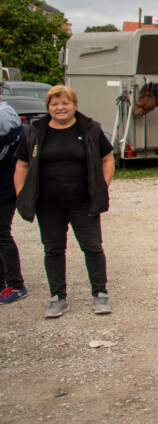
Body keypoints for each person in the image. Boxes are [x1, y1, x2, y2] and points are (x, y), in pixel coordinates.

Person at [13, 85, 115, 318]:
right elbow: (22, 164)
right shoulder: (35, 131)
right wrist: (21, 194)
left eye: (65, 103)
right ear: (48, 107)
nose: (60, 107)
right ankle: (57, 298)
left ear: (75, 105)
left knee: (92, 247)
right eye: (55, 104)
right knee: (53, 249)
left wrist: (102, 186)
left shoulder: (90, 129)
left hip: (83, 202)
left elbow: (107, 159)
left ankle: (100, 294)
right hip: (48, 205)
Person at [0, 99, 27, 303]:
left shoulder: (3, 117)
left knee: (2, 235)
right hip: (6, 185)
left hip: (4, 188)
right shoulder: (8, 113)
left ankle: (15, 284)